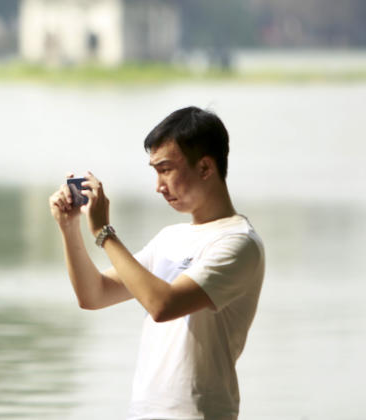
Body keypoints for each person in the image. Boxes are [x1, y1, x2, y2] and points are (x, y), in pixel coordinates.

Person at [49, 106, 264, 420]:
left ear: (205, 167)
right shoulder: (170, 238)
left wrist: (104, 233)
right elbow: (93, 295)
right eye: (155, 171)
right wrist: (69, 229)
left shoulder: (239, 242)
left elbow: (162, 304)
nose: (158, 185)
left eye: (166, 169)